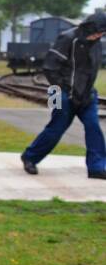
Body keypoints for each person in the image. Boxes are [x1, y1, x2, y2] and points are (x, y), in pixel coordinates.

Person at [21, 11, 106, 179]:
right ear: (90, 27)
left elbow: (91, 71)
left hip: (86, 94)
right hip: (58, 91)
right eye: (99, 31)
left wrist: (85, 93)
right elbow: (49, 68)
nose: (100, 35)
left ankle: (96, 167)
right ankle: (29, 157)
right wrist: (67, 91)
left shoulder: (96, 43)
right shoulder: (67, 38)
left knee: (94, 127)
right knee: (56, 127)